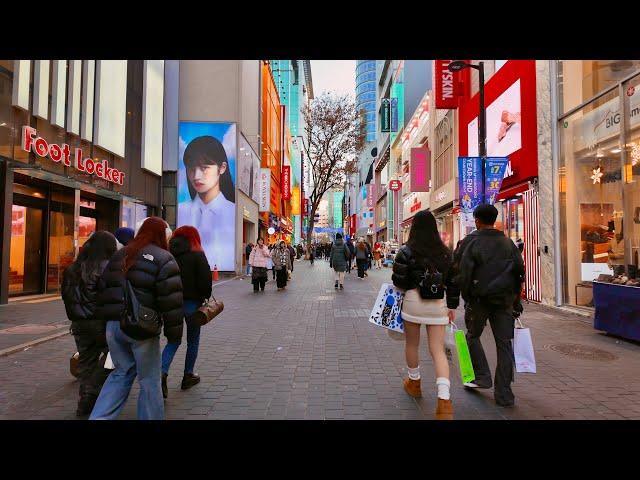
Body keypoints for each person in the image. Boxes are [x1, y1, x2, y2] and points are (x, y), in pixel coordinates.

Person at [90, 217, 184, 420]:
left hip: (114, 326)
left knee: (120, 372)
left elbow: (103, 291)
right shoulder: (164, 258)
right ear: (162, 235)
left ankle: (99, 417)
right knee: (150, 380)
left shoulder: (121, 254)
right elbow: (171, 300)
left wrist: (101, 329)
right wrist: (174, 334)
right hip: (141, 327)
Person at [452, 204, 525, 407]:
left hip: (478, 301)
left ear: (476, 220)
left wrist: (466, 297)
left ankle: (482, 376)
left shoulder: (469, 242)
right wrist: (515, 300)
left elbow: (462, 273)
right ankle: (504, 393)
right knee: (504, 344)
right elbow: (520, 271)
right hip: (504, 301)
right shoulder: (508, 243)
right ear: (494, 219)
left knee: (472, 336)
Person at [392, 210, 460, 420]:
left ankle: (414, 383)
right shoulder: (445, 252)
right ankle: (444, 402)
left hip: (413, 302)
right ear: (434, 227)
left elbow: (399, 281)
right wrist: (452, 306)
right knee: (437, 350)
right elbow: (453, 282)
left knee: (412, 344)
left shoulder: (406, 251)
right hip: (438, 304)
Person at [62, 231, 118, 417]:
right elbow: (109, 297)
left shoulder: (72, 269)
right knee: (112, 358)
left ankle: (84, 400)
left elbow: (67, 298)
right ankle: (92, 393)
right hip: (100, 323)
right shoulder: (107, 268)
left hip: (79, 324)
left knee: (86, 362)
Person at [161, 226, 212, 399]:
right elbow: (205, 281)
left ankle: (162, 374)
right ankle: (187, 376)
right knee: (193, 340)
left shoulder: (168, 254)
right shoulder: (197, 254)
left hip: (172, 303)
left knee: (173, 340)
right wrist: (204, 296)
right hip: (192, 303)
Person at [177, 135, 236, 271]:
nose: (196, 176)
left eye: (204, 168)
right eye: (191, 169)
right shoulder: (181, 211)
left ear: (222, 168)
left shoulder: (232, 212)